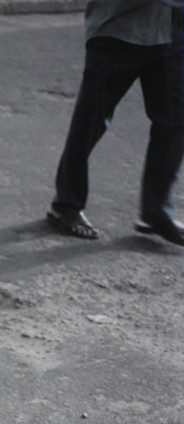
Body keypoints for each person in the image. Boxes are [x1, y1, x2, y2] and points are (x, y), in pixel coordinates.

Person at [46, 0, 184, 244]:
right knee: (90, 122)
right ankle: (66, 206)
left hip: (170, 32)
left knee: (175, 122)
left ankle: (156, 212)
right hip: (118, 32)